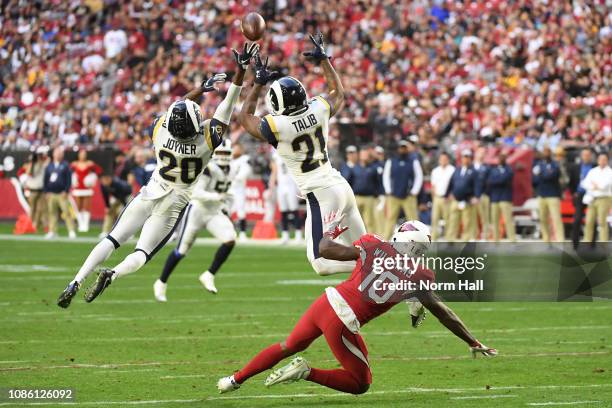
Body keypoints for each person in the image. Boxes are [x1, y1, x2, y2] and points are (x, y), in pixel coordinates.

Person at [56, 42, 259, 308]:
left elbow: (180, 104)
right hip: (175, 201)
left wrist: (201, 88)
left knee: (112, 239)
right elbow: (229, 103)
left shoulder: (161, 130)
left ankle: (76, 280)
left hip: (152, 191)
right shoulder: (207, 140)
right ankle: (113, 274)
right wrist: (241, 71)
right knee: (142, 253)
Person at [217, 216, 497, 395]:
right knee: (360, 384)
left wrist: (331, 229)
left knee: (288, 345)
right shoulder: (420, 275)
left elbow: (326, 249)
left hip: (325, 302)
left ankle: (234, 379)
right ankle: (307, 371)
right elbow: (443, 313)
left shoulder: (373, 243)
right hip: (341, 321)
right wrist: (471, 341)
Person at [236, 33, 366, 276]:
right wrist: (324, 60)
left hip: (321, 194)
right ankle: (394, 270)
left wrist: (258, 84)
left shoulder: (277, 126)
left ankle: (375, 262)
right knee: (366, 245)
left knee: (321, 262)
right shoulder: (318, 109)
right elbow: (337, 92)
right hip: (339, 185)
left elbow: (245, 118)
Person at [154, 139, 237, 301]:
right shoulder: (208, 169)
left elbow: (229, 193)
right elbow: (196, 193)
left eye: (226, 153)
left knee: (230, 239)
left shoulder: (232, 170)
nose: (223, 156)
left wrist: (227, 207)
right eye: (220, 152)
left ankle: (209, 274)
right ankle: (161, 282)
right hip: (197, 210)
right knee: (182, 250)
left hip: (214, 211)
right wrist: (217, 197)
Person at [382, 140, 423, 239]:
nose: (403, 150)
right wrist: (388, 190)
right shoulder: (391, 160)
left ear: (407, 149)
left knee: (413, 219)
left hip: (408, 196)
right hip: (393, 195)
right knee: (390, 218)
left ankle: (418, 240)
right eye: (401, 147)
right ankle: (386, 240)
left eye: (405, 148)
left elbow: (419, 176)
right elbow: (386, 175)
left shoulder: (413, 160)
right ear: (398, 149)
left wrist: (414, 191)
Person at [445, 149, 480, 241]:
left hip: (467, 200)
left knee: (467, 222)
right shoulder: (457, 169)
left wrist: (476, 197)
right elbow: (451, 182)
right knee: (452, 221)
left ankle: (466, 240)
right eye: (464, 157)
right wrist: (448, 194)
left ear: (470, 159)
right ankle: (450, 240)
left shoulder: (474, 171)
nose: (466, 159)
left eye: (467, 157)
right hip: (456, 199)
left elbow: (477, 185)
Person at [270, 149, 302, 243]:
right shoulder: (276, 154)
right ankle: (285, 235)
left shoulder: (292, 152)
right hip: (281, 186)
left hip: (291, 185)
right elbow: (274, 170)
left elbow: (298, 170)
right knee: (283, 211)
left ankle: (298, 234)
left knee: (294, 210)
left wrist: (299, 186)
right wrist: (271, 184)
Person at [44, 146, 76, 239]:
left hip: (62, 193)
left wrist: (66, 191)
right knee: (52, 213)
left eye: (60, 153)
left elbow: (69, 179)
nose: (58, 154)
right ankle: (52, 231)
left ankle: (71, 231)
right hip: (51, 193)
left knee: (66, 212)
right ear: (53, 154)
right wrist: (46, 191)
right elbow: (45, 179)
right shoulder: (49, 166)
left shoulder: (65, 165)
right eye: (57, 153)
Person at [532, 147, 564, 242]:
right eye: (544, 152)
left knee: (556, 218)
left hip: (553, 195)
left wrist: (541, 174)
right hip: (542, 195)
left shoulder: (555, 165)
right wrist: (544, 174)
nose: (546, 154)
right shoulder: (539, 165)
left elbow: (552, 176)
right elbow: (534, 179)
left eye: (547, 152)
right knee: (543, 219)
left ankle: (560, 240)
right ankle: (546, 240)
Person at [581, 153, 612, 243]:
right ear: (598, 160)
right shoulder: (593, 171)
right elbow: (585, 183)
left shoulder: (609, 172)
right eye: (601, 159)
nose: (602, 161)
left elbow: (604, 186)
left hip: (604, 198)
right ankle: (587, 242)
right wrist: (593, 186)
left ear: (607, 161)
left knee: (602, 222)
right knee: (589, 221)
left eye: (604, 159)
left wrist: (594, 184)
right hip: (592, 198)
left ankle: (603, 243)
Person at [71, 148, 102, 232]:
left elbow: (99, 171)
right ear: (78, 155)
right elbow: (68, 172)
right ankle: (80, 224)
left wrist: (92, 177)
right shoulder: (74, 164)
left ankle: (86, 225)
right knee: (78, 207)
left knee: (86, 207)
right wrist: (73, 178)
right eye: (81, 154)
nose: (83, 156)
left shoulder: (89, 164)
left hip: (87, 188)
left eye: (84, 154)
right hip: (77, 188)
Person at [487, 153, 516, 241]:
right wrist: (500, 179)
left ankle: (512, 239)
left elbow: (506, 178)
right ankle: (495, 239)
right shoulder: (493, 170)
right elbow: (490, 181)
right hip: (495, 198)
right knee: (494, 220)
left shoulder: (509, 169)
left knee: (508, 220)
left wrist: (497, 180)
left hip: (505, 198)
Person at [569, 148, 594, 247]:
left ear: (590, 156)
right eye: (584, 155)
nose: (586, 157)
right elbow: (571, 183)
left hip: (592, 195)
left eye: (588, 155)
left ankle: (591, 243)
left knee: (592, 220)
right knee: (577, 219)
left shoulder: (594, 167)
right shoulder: (575, 167)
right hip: (579, 195)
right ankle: (575, 243)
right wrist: (574, 193)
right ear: (581, 156)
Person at [20, 146, 49, 230]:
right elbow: (30, 173)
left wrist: (40, 160)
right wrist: (32, 163)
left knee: (41, 209)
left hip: (41, 189)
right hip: (33, 190)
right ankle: (30, 224)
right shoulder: (29, 165)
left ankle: (39, 225)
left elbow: (47, 161)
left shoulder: (43, 164)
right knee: (32, 209)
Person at [352, 148, 379, 233]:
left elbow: (377, 182)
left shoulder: (373, 168)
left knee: (369, 221)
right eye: (363, 154)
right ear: (359, 155)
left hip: (369, 198)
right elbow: (350, 181)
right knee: (355, 221)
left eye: (366, 154)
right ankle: (355, 241)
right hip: (356, 197)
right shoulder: (354, 168)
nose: (364, 156)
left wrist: (376, 194)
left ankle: (371, 241)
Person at [430, 152, 455, 241]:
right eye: (441, 159)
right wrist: (434, 198)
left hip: (447, 198)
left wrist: (450, 196)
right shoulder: (435, 171)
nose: (443, 161)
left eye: (445, 159)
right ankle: (434, 237)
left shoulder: (452, 170)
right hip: (437, 197)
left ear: (448, 160)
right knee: (434, 218)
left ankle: (449, 237)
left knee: (448, 218)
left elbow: (454, 185)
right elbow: (433, 186)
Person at [229, 142, 251, 241]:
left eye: (237, 148)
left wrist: (235, 178)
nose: (235, 150)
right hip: (230, 189)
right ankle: (229, 232)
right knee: (227, 211)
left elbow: (245, 172)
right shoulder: (229, 160)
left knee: (241, 212)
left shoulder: (244, 160)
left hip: (239, 189)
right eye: (234, 148)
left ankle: (242, 233)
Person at [99, 174, 132, 238]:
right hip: (116, 197)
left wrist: (125, 207)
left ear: (110, 179)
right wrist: (107, 206)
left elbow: (123, 196)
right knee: (109, 212)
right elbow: (105, 196)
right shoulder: (103, 185)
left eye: (106, 179)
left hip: (127, 195)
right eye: (102, 180)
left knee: (126, 214)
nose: (104, 181)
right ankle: (105, 231)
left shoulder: (117, 184)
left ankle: (128, 233)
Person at [473, 147, 490, 240]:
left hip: (483, 195)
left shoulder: (486, 167)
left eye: (484, 153)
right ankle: (474, 235)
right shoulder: (471, 166)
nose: (482, 154)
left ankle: (485, 236)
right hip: (472, 196)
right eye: (480, 152)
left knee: (485, 217)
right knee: (473, 217)